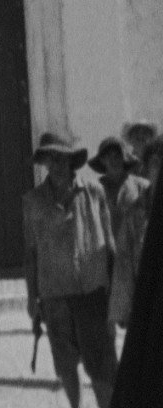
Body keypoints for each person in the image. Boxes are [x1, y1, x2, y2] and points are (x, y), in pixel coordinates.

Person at [23, 133, 117, 408]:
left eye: (63, 159)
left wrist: (116, 293)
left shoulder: (93, 193)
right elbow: (30, 254)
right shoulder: (32, 201)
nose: (58, 165)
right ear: (45, 163)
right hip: (54, 295)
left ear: (72, 162)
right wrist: (32, 297)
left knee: (101, 366)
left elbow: (109, 244)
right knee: (65, 365)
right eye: (52, 159)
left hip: (92, 292)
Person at [88, 137, 152, 329]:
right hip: (103, 258)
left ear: (125, 158)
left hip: (133, 257)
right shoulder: (94, 190)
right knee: (105, 319)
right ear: (102, 160)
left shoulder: (142, 187)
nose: (114, 160)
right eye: (108, 156)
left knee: (137, 315)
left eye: (118, 156)